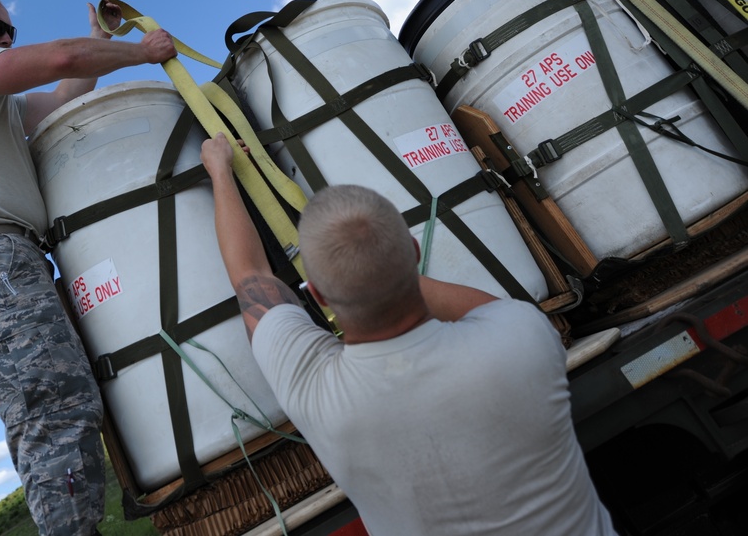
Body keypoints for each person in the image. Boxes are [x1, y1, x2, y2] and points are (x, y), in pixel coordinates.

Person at [199, 133, 617, 536]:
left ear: (320, 297)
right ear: (414, 254)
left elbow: (250, 273)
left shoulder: (314, 388)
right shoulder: (523, 334)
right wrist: (380, 256)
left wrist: (220, 170)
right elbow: (484, 308)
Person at [0, 0, 176, 536]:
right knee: (54, 415)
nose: (7, 40)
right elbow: (59, 58)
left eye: (10, 32)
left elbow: (62, 94)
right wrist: (142, 52)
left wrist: (99, 42)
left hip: (7, 260)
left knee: (66, 408)